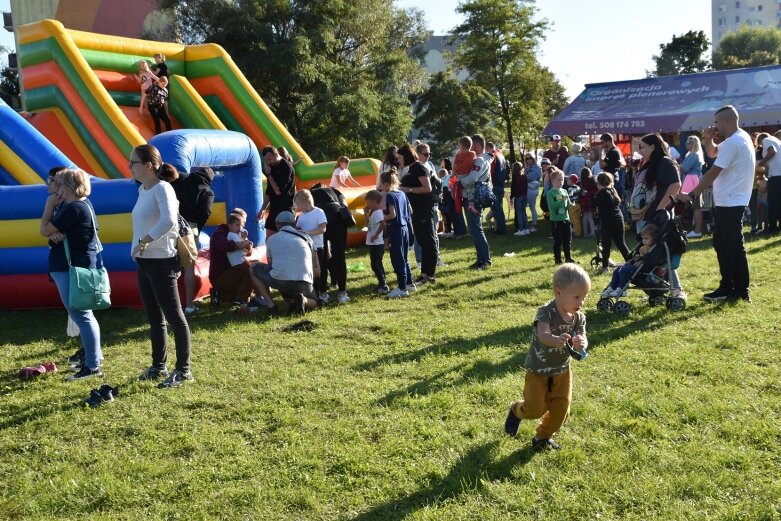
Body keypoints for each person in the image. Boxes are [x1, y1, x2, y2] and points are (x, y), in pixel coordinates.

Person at [503, 263, 591, 451]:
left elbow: (583, 336)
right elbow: (543, 335)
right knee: (535, 409)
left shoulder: (579, 317)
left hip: (562, 371)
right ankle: (516, 411)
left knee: (561, 410)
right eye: (577, 297)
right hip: (538, 370)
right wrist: (555, 339)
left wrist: (581, 343)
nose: (581, 302)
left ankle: (542, 437)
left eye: (584, 297)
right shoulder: (546, 312)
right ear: (558, 292)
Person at [129, 144, 193, 388]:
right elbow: (142, 223)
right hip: (145, 262)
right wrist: (135, 247)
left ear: (148, 165)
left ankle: (183, 370)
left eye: (133, 163)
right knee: (154, 318)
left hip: (162, 261)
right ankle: (159, 365)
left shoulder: (163, 188)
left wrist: (145, 241)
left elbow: (169, 222)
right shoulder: (143, 190)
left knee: (175, 316)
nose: (129, 167)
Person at [679, 105, 754, 302]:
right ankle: (731, 286)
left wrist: (693, 193)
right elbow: (712, 154)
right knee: (724, 243)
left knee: (731, 245)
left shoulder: (733, 142)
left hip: (730, 202)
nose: (715, 126)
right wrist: (708, 140)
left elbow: (713, 172)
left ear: (726, 121)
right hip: (732, 200)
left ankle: (737, 288)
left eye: (717, 122)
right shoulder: (740, 138)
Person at [39, 168, 104, 381]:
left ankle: (92, 365)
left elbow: (44, 229)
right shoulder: (80, 205)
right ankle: (93, 359)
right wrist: (54, 231)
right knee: (84, 315)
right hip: (75, 266)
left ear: (69, 187)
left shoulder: (73, 207)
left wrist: (49, 206)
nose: (56, 189)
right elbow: (53, 232)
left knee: (81, 315)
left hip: (71, 268)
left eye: (59, 184)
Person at [249, 211, 320, 314]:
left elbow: (271, 264)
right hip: (304, 282)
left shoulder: (271, 239)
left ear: (277, 225)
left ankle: (271, 305)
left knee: (253, 267)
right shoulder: (307, 238)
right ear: (294, 224)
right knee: (314, 301)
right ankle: (304, 300)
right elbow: (316, 268)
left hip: (281, 280)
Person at [174, 166, 215, 313]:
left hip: (171, 223)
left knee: (168, 265)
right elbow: (206, 212)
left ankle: (168, 305)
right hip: (189, 227)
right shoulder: (208, 192)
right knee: (189, 268)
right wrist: (197, 226)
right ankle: (189, 306)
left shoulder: (182, 178)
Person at [398, 143, 438, 284]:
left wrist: (407, 189)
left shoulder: (419, 168)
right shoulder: (411, 169)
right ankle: (424, 273)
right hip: (416, 210)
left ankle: (430, 275)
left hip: (424, 209)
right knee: (422, 241)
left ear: (406, 156)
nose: (399, 160)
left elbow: (427, 188)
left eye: (400, 157)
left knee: (429, 241)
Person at [310, 183, 350, 304]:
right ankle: (342, 293)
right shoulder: (334, 190)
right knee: (339, 256)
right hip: (337, 216)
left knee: (321, 257)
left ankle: (323, 293)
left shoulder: (311, 193)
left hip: (318, 218)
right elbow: (344, 203)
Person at [460, 134, 493, 270]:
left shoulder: (480, 160)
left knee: (476, 230)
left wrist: (460, 180)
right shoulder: (482, 159)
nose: (467, 149)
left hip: (474, 198)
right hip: (473, 197)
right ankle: (481, 259)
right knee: (474, 230)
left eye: (470, 146)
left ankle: (484, 261)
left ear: (477, 146)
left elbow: (472, 178)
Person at [209, 211, 254, 307]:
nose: (241, 227)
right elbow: (224, 246)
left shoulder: (237, 232)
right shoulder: (220, 233)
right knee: (251, 269)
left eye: (243, 224)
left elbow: (248, 253)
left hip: (231, 271)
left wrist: (248, 246)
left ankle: (239, 297)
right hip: (220, 275)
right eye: (238, 224)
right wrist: (242, 244)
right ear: (230, 222)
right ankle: (241, 299)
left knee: (254, 266)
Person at [601, 223, 659, 297]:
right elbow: (639, 256)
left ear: (654, 238)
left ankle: (621, 289)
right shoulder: (643, 248)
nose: (643, 241)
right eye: (643, 238)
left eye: (646, 238)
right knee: (617, 270)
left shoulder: (654, 250)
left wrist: (642, 261)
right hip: (636, 265)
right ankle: (612, 287)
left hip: (642, 268)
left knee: (623, 270)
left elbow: (651, 259)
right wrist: (635, 258)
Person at [381, 169, 414, 298]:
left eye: (382, 185)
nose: (381, 187)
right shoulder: (402, 194)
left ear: (386, 183)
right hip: (405, 227)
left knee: (397, 258)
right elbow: (410, 210)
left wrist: (382, 217)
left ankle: (402, 287)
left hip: (395, 229)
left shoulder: (390, 196)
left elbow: (392, 214)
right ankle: (410, 283)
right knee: (405, 258)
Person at [293, 189, 330, 301]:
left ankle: (323, 293)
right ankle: (314, 293)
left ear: (305, 202)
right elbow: (298, 228)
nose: (298, 207)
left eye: (299, 204)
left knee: (320, 271)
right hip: (306, 249)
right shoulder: (301, 216)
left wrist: (308, 232)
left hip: (317, 248)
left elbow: (322, 228)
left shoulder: (319, 212)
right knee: (309, 271)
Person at [594, 172, 630, 274]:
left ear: (599, 182)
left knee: (606, 245)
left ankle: (605, 267)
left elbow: (598, 205)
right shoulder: (613, 190)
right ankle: (631, 261)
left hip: (608, 221)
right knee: (621, 243)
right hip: (618, 219)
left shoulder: (601, 193)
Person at [258, 146, 295, 236]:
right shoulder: (270, 166)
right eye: (265, 160)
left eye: (269, 159)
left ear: (276, 155)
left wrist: (269, 174)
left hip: (285, 207)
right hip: (274, 207)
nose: (267, 162)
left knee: (285, 236)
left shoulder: (286, 167)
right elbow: (269, 190)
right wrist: (263, 208)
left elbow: (278, 191)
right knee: (269, 236)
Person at [547, 169, 575, 265]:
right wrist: (562, 201)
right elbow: (552, 205)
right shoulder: (550, 193)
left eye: (562, 180)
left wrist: (571, 205)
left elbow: (568, 205)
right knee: (558, 241)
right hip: (556, 220)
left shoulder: (564, 191)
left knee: (567, 240)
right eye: (559, 180)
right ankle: (558, 259)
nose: (561, 182)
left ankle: (568, 258)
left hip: (565, 219)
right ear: (553, 181)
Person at [755, 131, 781, 233]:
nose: (761, 146)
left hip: (775, 177)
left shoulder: (766, 140)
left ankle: (773, 227)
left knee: (773, 202)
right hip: (777, 175)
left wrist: (760, 163)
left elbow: (772, 152)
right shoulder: (778, 141)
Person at [681, 135, 705, 238]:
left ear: (694, 144)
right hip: (692, 181)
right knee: (695, 207)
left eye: (689, 142)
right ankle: (696, 230)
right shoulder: (691, 154)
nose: (686, 144)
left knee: (696, 207)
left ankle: (697, 231)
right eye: (686, 142)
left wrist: (678, 166)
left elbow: (685, 168)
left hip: (693, 182)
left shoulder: (694, 155)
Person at [364, 189, 388, 293]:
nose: (367, 204)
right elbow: (368, 224)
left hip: (377, 243)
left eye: (368, 202)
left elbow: (383, 224)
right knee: (377, 263)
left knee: (375, 265)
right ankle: (382, 282)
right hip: (373, 243)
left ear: (374, 201)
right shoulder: (373, 213)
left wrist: (376, 235)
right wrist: (366, 214)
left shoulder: (378, 212)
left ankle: (383, 285)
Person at [486, 142, 507, 235]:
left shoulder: (493, 156)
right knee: (499, 207)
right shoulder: (501, 155)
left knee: (496, 208)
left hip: (495, 184)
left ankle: (500, 229)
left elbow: (491, 171)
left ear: (487, 148)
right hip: (501, 183)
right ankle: (500, 227)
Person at [453, 136, 477, 214]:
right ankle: (471, 204)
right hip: (468, 176)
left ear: (461, 147)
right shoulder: (473, 154)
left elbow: (454, 166)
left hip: (459, 176)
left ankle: (458, 207)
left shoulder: (458, 155)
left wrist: (453, 175)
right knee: (471, 190)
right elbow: (475, 163)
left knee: (456, 190)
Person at [509, 161, 529, 236]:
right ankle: (526, 228)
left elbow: (513, 188)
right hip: (525, 196)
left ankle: (521, 229)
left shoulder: (515, 177)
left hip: (518, 196)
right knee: (524, 212)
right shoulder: (524, 176)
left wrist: (511, 197)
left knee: (519, 213)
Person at [524, 153, 541, 232]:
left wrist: (523, 177)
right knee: (526, 206)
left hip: (532, 189)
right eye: (527, 159)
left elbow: (531, 177)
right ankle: (526, 224)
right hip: (528, 188)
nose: (529, 160)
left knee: (532, 207)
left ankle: (534, 224)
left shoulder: (536, 167)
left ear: (533, 159)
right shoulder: (527, 168)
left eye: (530, 158)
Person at [580, 168, 597, 237]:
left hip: (584, 201)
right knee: (590, 217)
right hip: (590, 201)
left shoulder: (583, 182)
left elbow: (582, 193)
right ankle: (592, 232)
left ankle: (585, 232)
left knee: (585, 217)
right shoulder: (592, 181)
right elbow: (594, 192)